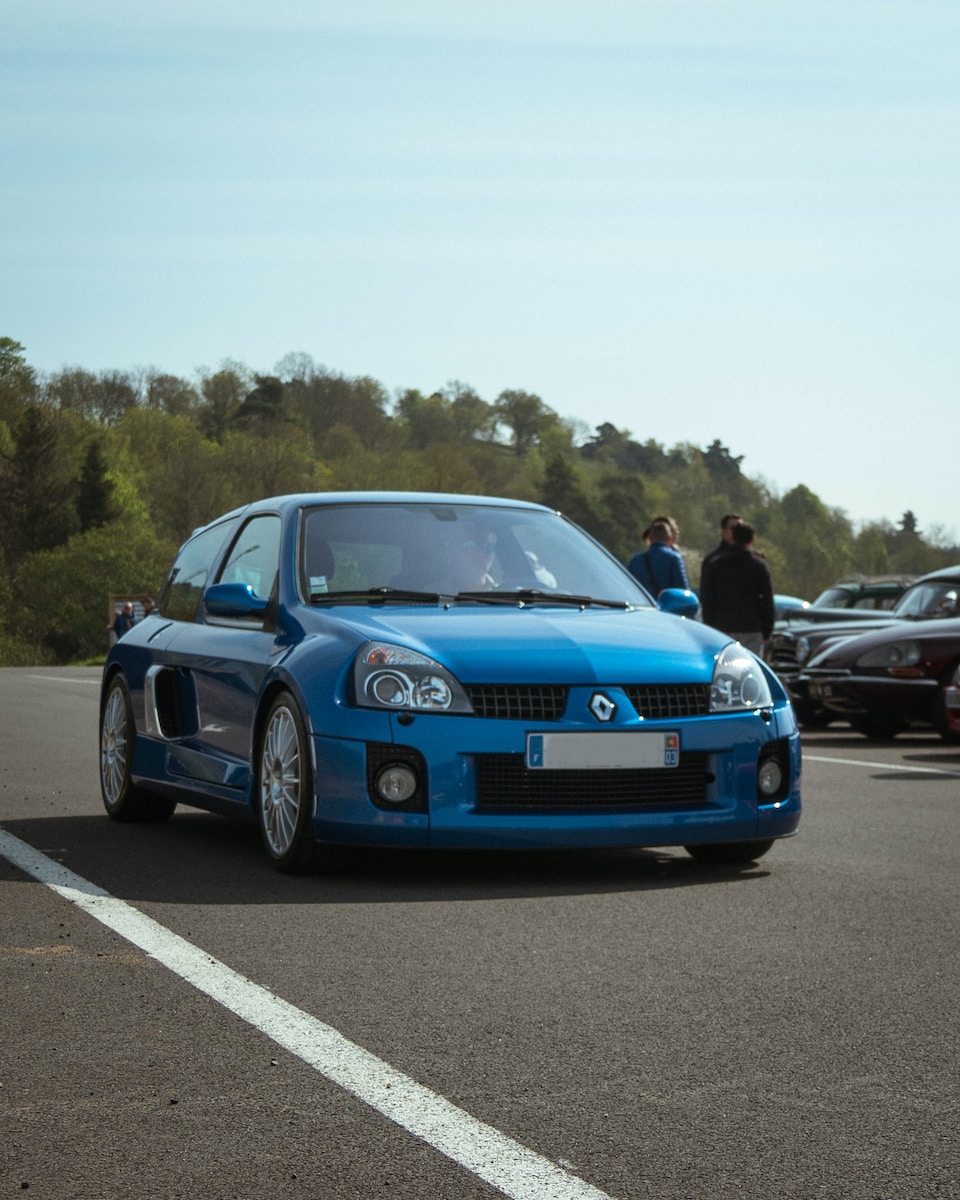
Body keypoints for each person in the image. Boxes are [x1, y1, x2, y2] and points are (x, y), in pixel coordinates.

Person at [699, 520, 774, 654]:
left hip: (722, 627)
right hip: (751, 628)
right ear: (752, 540)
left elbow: (708, 599)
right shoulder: (759, 566)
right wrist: (767, 630)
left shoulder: (716, 564)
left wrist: (709, 626)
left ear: (732, 538)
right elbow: (767, 600)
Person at [627, 519, 689, 597]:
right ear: (670, 538)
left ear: (649, 538)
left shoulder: (635, 560)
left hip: (640, 607)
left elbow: (626, 587)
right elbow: (683, 591)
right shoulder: (674, 558)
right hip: (666, 608)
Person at [699, 513, 741, 596]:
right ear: (724, 531)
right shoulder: (713, 560)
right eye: (733, 528)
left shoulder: (752, 561)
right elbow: (706, 593)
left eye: (740, 528)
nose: (737, 532)